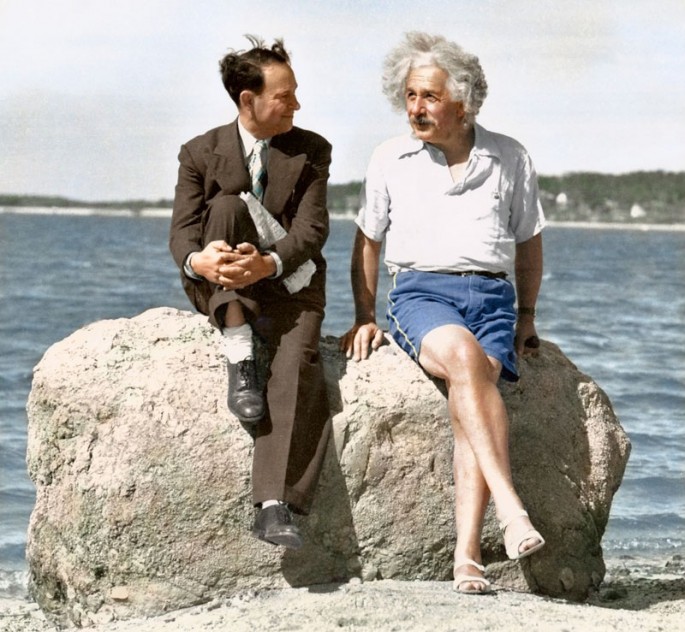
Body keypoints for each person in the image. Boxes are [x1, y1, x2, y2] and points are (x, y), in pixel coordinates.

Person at [340, 32, 546, 594]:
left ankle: (466, 557)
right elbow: (368, 240)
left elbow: (529, 242)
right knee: (462, 358)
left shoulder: (510, 156)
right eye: (410, 96)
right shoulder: (390, 157)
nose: (416, 108)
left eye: (429, 96)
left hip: (493, 298)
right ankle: (511, 508)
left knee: (470, 397)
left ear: (464, 100)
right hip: (422, 294)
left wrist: (527, 316)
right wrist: (364, 315)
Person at [170, 35, 332, 550]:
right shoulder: (199, 152)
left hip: (290, 283)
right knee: (225, 206)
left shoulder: (311, 150)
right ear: (248, 99)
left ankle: (273, 505)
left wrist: (268, 262)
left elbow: (311, 231)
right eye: (285, 96)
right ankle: (239, 351)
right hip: (221, 285)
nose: (296, 104)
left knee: (296, 367)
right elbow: (182, 233)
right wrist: (199, 261)